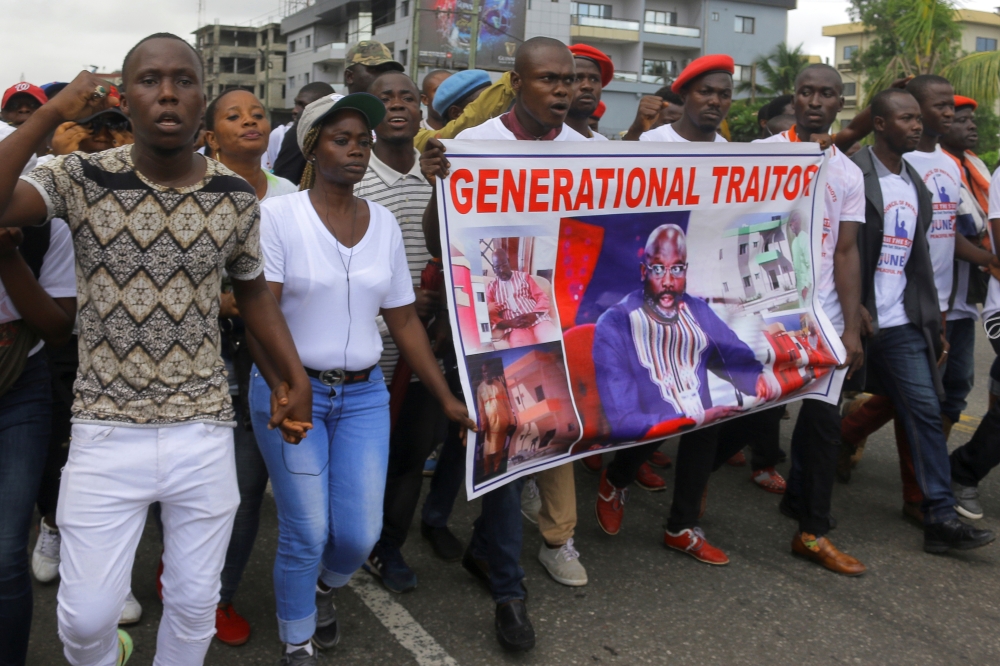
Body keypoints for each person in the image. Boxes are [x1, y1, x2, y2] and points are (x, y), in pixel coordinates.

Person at [0, 34, 314, 666]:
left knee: (195, 607)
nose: (167, 92)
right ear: (127, 93)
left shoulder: (234, 195)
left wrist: (292, 373)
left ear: (202, 99)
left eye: (183, 80)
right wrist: (53, 111)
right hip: (102, 428)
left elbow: (252, 292)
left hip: (202, 427)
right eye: (149, 80)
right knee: (85, 622)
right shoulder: (79, 175)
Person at [250, 91, 473, 665]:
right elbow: (260, 313)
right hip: (291, 391)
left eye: (363, 140)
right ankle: (296, 639)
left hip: (364, 395)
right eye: (340, 138)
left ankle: (326, 587)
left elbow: (402, 318)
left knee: (357, 535)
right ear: (311, 146)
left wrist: (447, 397)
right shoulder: (277, 216)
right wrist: (284, 384)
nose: (356, 149)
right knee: (306, 527)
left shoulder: (382, 226)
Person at [420, 35, 588, 652]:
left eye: (569, 80)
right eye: (549, 79)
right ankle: (509, 593)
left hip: (550, 322)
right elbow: (441, 242)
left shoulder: (587, 154)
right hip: (485, 323)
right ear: (517, 83)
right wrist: (438, 186)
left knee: (493, 440)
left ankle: (454, 530)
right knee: (500, 441)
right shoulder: (471, 148)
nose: (562, 90)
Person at [594, 55, 778, 569]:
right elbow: (619, 214)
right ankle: (618, 476)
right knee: (661, 412)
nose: (717, 101)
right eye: (706, 92)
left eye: (725, 93)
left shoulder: (733, 155)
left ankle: (681, 526)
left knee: (709, 413)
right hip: (646, 301)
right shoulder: (652, 146)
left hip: (700, 301)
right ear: (687, 95)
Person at [850, 88, 994, 554]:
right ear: (880, 123)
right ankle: (803, 500)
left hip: (906, 321)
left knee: (927, 412)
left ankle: (939, 517)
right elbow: (833, 245)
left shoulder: (917, 182)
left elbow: (922, 259)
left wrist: (931, 323)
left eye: (918, 119)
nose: (917, 126)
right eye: (907, 118)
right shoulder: (853, 170)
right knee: (815, 414)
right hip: (852, 318)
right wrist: (852, 307)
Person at [27, 105, 144, 627]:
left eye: (116, 129)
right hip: (62, 336)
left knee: (122, 466)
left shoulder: (146, 179)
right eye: (92, 131)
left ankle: (113, 579)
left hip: (125, 347)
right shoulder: (55, 179)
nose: (103, 140)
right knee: (60, 451)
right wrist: (57, 159)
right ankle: (54, 522)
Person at [353, 71, 466, 593]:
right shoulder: (351, 174)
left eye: (407, 98)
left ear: (422, 112)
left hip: (427, 342)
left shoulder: (439, 174)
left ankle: (388, 545)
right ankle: (350, 541)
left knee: (408, 455)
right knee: (362, 461)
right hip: (368, 347)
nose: (397, 106)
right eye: (384, 99)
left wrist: (442, 317)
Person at [754, 63, 867, 575]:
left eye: (826, 94)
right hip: (759, 313)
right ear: (794, 99)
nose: (815, 101)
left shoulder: (848, 172)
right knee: (734, 423)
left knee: (823, 425)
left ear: (839, 103)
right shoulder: (759, 157)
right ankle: (632, 478)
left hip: (818, 317)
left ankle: (811, 531)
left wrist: (847, 327)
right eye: (806, 92)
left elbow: (846, 252)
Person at [198, 88, 299, 646]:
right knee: (200, 486)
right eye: (233, 116)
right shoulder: (193, 187)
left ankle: (220, 593)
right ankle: (192, 580)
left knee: (249, 482)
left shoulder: (287, 193)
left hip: (267, 354)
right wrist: (223, 301)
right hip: (206, 359)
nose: (250, 122)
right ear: (210, 136)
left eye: (258, 114)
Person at [0, 208, 76, 665]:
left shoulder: (46, 228)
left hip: (20, 387)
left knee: (6, 553)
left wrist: (9, 256)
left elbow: (58, 328)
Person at [486, 248, 559, 346]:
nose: (502, 270)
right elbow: (489, 314)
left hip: (538, 319)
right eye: (498, 267)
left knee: (551, 338)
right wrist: (509, 323)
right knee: (522, 348)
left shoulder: (524, 277)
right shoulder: (491, 287)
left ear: (509, 262)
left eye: (504, 265)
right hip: (514, 327)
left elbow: (542, 297)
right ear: (494, 269)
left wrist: (535, 315)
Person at [272, 82, 336, 185]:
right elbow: (282, 184)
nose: (295, 110)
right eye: (296, 104)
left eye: (302, 105)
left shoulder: (301, 132)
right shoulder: (293, 133)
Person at [566, 43, 613, 140]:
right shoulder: (539, 143)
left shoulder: (605, 146)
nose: (587, 86)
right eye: (576, 78)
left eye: (594, 79)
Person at [789, 210, 811, 304]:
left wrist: (806, 287)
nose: (791, 224)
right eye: (791, 222)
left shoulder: (805, 239)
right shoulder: (794, 242)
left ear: (800, 222)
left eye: (794, 220)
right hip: (799, 287)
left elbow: (811, 265)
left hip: (808, 287)